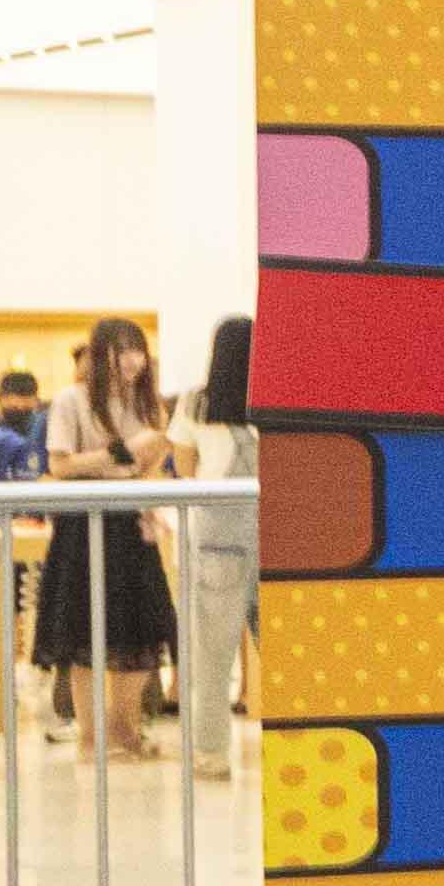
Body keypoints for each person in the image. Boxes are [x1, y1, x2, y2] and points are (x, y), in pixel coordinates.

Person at [30, 317, 180, 749]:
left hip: (132, 524)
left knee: (141, 628)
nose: (133, 360)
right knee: (82, 632)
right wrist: (121, 451)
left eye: (138, 350)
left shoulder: (148, 405)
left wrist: (149, 462)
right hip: (83, 524)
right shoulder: (71, 400)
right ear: (102, 354)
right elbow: (60, 465)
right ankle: (91, 738)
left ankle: (123, 729)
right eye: (123, 350)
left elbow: (147, 469)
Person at [184, 312, 260, 750]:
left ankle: (210, 754)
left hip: (216, 536)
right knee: (288, 654)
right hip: (275, 534)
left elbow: (185, 467)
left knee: (212, 657)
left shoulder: (194, 403)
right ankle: (299, 745)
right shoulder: (274, 401)